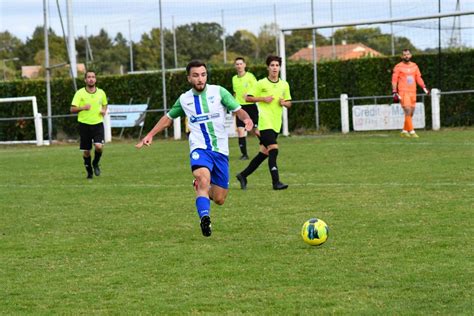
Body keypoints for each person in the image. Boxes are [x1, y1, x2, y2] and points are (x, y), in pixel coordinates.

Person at [136, 60, 252, 237]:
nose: (200, 79)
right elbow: (168, 118)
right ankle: (205, 218)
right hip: (199, 148)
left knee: (219, 198)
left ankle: (199, 188)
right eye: (196, 75)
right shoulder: (184, 99)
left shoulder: (219, 92)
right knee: (203, 179)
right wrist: (150, 134)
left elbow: (238, 109)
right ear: (189, 78)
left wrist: (247, 119)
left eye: (203, 74)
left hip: (220, 151)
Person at [236, 55, 292, 191]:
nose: (274, 68)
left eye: (277, 65)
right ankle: (276, 182)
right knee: (273, 149)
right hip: (264, 123)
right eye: (272, 65)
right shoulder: (261, 83)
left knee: (264, 153)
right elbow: (247, 98)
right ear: (268, 67)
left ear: (280, 67)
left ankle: (243, 175)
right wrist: (263, 99)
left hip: (276, 124)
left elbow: (289, 103)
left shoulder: (284, 85)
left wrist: (284, 103)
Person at [70, 70, 108, 179]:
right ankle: (89, 172)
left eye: (93, 77)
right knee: (86, 152)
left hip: (98, 124)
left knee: (99, 146)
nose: (91, 79)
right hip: (84, 125)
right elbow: (72, 109)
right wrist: (83, 108)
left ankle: (95, 163)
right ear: (85, 80)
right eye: (89, 77)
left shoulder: (101, 92)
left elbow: (105, 105)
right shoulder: (79, 93)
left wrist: (104, 111)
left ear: (95, 79)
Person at [392, 49, 429, 138]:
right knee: (407, 110)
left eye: (408, 54)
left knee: (411, 113)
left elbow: (418, 78)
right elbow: (394, 80)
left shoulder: (415, 66)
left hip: (413, 91)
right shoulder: (398, 67)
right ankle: (412, 132)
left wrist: (424, 87)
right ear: (402, 56)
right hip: (403, 92)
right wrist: (394, 91)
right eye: (404, 55)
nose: (406, 56)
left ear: (411, 55)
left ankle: (404, 131)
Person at [232, 57, 258, 160]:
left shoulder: (250, 77)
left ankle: (267, 148)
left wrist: (249, 94)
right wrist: (233, 106)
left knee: (256, 130)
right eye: (237, 64)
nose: (239, 66)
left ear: (244, 65)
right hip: (240, 108)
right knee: (240, 130)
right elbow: (235, 93)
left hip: (251, 106)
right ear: (235, 66)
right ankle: (244, 155)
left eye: (240, 64)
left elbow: (257, 88)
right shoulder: (234, 78)